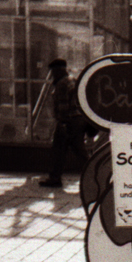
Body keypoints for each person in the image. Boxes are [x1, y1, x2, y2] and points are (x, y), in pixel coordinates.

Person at [38, 59, 88, 188]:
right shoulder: (73, 80)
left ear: (59, 70)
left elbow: (63, 106)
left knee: (59, 150)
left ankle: (55, 178)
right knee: (79, 150)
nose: (52, 75)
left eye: (53, 72)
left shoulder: (61, 84)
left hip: (68, 121)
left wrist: (63, 123)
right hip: (78, 120)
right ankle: (95, 171)